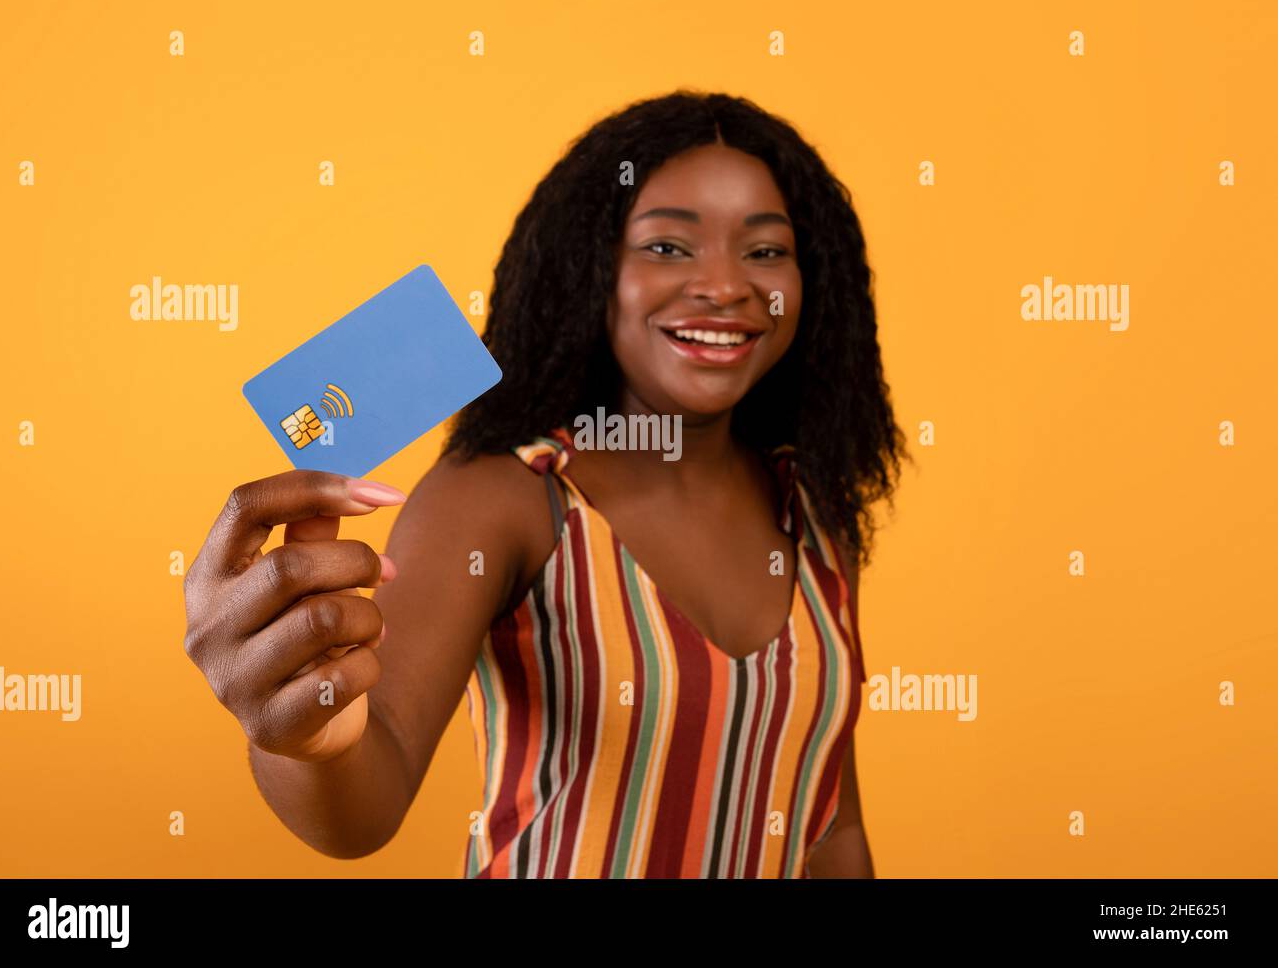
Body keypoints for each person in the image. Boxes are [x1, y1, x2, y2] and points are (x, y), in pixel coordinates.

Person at [181, 90, 909, 878]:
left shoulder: (815, 515)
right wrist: (310, 731)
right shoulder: (506, 498)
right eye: (669, 247)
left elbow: (829, 825)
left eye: (766, 251)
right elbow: (364, 802)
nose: (727, 285)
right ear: (589, 268)